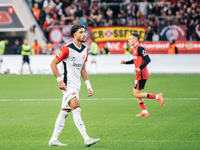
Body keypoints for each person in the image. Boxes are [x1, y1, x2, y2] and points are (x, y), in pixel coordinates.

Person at [49, 24, 100, 147]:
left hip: (77, 85)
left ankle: (53, 139)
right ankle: (86, 138)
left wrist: (88, 85)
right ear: (74, 35)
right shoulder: (66, 49)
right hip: (67, 84)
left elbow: (83, 69)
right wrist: (59, 80)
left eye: (84, 32)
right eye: (81, 32)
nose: (84, 34)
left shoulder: (85, 49)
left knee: (65, 111)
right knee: (76, 108)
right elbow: (53, 64)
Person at [120, 33, 164, 117]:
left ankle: (157, 96)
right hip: (139, 74)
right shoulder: (135, 49)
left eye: (130, 39)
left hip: (141, 74)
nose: (129, 40)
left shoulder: (140, 48)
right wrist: (125, 62)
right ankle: (144, 111)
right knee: (135, 93)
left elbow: (148, 59)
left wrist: (139, 68)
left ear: (136, 39)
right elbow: (134, 60)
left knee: (136, 94)